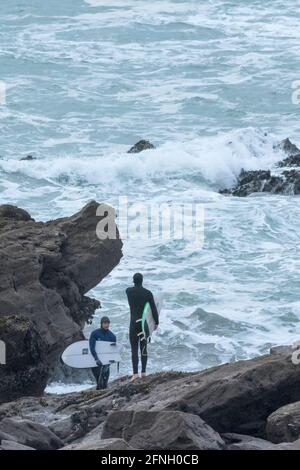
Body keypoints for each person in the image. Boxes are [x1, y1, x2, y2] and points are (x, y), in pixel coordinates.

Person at [126, 273, 159, 382]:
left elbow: (129, 290)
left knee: (134, 349)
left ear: (133, 281)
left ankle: (135, 374)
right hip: (143, 324)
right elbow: (153, 309)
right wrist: (156, 323)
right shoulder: (148, 293)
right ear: (142, 281)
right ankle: (143, 372)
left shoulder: (129, 291)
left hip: (133, 323)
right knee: (143, 347)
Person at [89, 316, 116, 390]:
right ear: (101, 324)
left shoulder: (112, 336)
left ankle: (104, 389)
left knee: (105, 383)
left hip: (106, 361)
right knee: (98, 381)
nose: (106, 325)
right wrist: (96, 359)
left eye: (108, 323)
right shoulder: (95, 333)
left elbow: (113, 351)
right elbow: (92, 347)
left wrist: (110, 361)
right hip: (95, 360)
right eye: (105, 323)